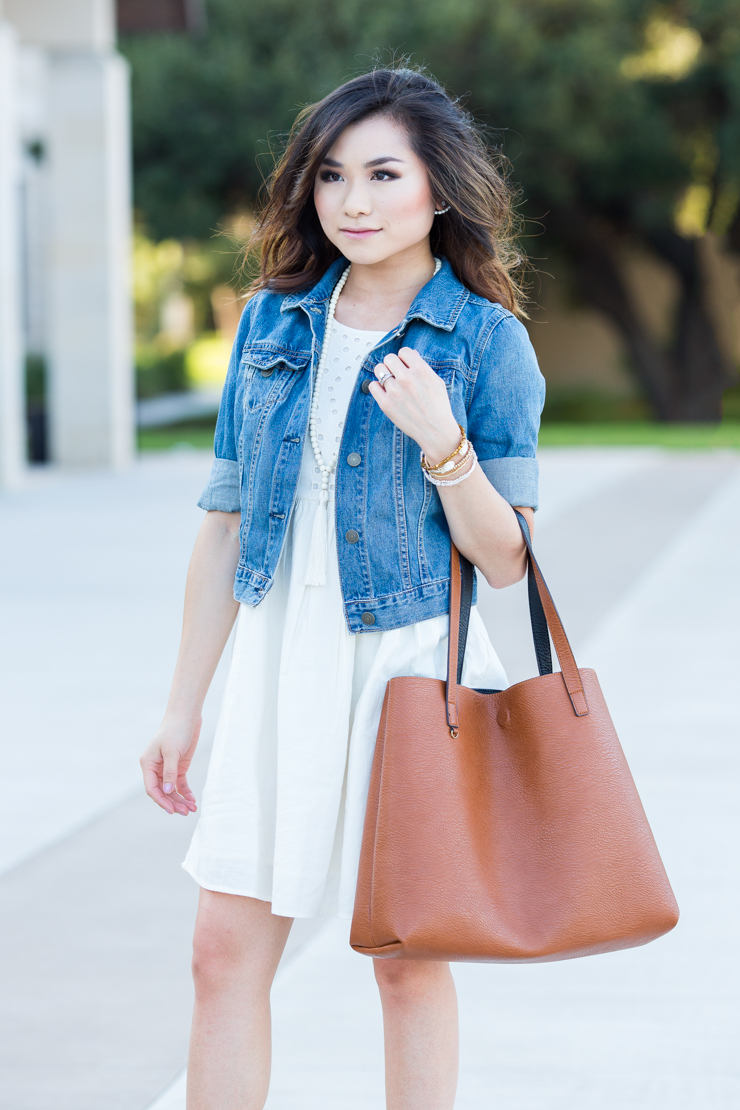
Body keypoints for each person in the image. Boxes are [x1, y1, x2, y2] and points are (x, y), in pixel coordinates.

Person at [140, 65, 545, 1110]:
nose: (352, 203)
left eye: (380, 174)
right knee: (219, 957)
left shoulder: (487, 343)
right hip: (280, 661)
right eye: (329, 176)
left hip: (408, 667)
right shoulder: (271, 324)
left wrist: (443, 445)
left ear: (439, 187)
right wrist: (183, 704)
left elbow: (506, 562)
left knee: (406, 962)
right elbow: (224, 525)